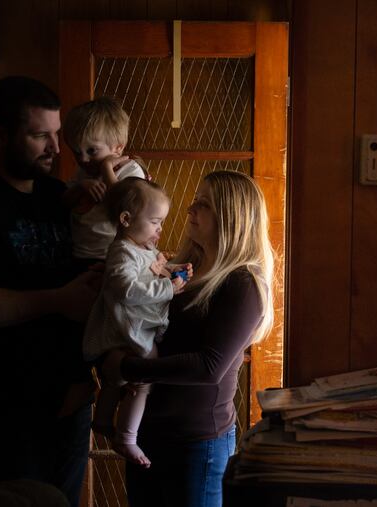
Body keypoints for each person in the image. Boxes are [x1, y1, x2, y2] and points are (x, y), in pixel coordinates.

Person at [0, 75, 101, 507]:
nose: (54, 148)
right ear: (1, 135)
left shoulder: (57, 195)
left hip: (67, 403)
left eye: (57, 135)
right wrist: (58, 300)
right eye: (39, 135)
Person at [102, 170, 275, 507]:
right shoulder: (185, 268)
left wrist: (127, 367)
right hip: (151, 432)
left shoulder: (243, 284)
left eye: (203, 204)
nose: (189, 209)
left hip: (196, 443)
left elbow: (208, 367)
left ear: (231, 218)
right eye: (196, 200)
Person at [83, 177, 191, 467]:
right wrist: (169, 289)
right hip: (126, 328)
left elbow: (156, 269)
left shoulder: (143, 248)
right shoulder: (121, 252)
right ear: (126, 219)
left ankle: (104, 419)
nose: (160, 229)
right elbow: (127, 290)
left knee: (115, 379)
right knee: (145, 374)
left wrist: (174, 271)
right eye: (155, 222)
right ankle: (126, 438)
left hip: (137, 326)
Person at [62, 96, 148, 265]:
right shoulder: (83, 172)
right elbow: (64, 203)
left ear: (118, 147)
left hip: (117, 256)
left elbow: (126, 207)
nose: (83, 159)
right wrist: (81, 186)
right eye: (77, 152)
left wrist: (107, 170)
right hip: (80, 254)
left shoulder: (131, 170)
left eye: (92, 150)